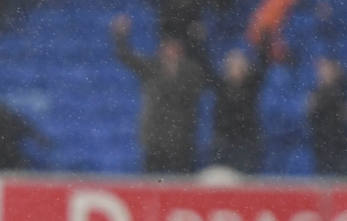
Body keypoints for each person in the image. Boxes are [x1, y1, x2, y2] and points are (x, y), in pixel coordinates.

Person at [111, 15, 206, 174]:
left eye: (174, 47)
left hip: (181, 138)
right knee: (153, 179)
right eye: (167, 46)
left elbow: (203, 80)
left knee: (180, 183)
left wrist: (199, 42)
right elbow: (126, 57)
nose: (170, 51)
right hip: (155, 136)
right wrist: (120, 37)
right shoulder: (151, 67)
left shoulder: (191, 71)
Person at [209, 45, 269, 174]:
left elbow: (263, 63)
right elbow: (205, 65)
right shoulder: (220, 85)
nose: (235, 68)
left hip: (245, 140)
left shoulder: (251, 84)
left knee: (244, 178)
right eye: (232, 64)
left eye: (239, 64)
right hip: (224, 139)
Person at [306, 57, 347, 176]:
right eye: (324, 71)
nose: (326, 74)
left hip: (340, 145)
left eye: (329, 71)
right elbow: (309, 115)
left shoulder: (344, 92)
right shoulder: (315, 93)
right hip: (320, 144)